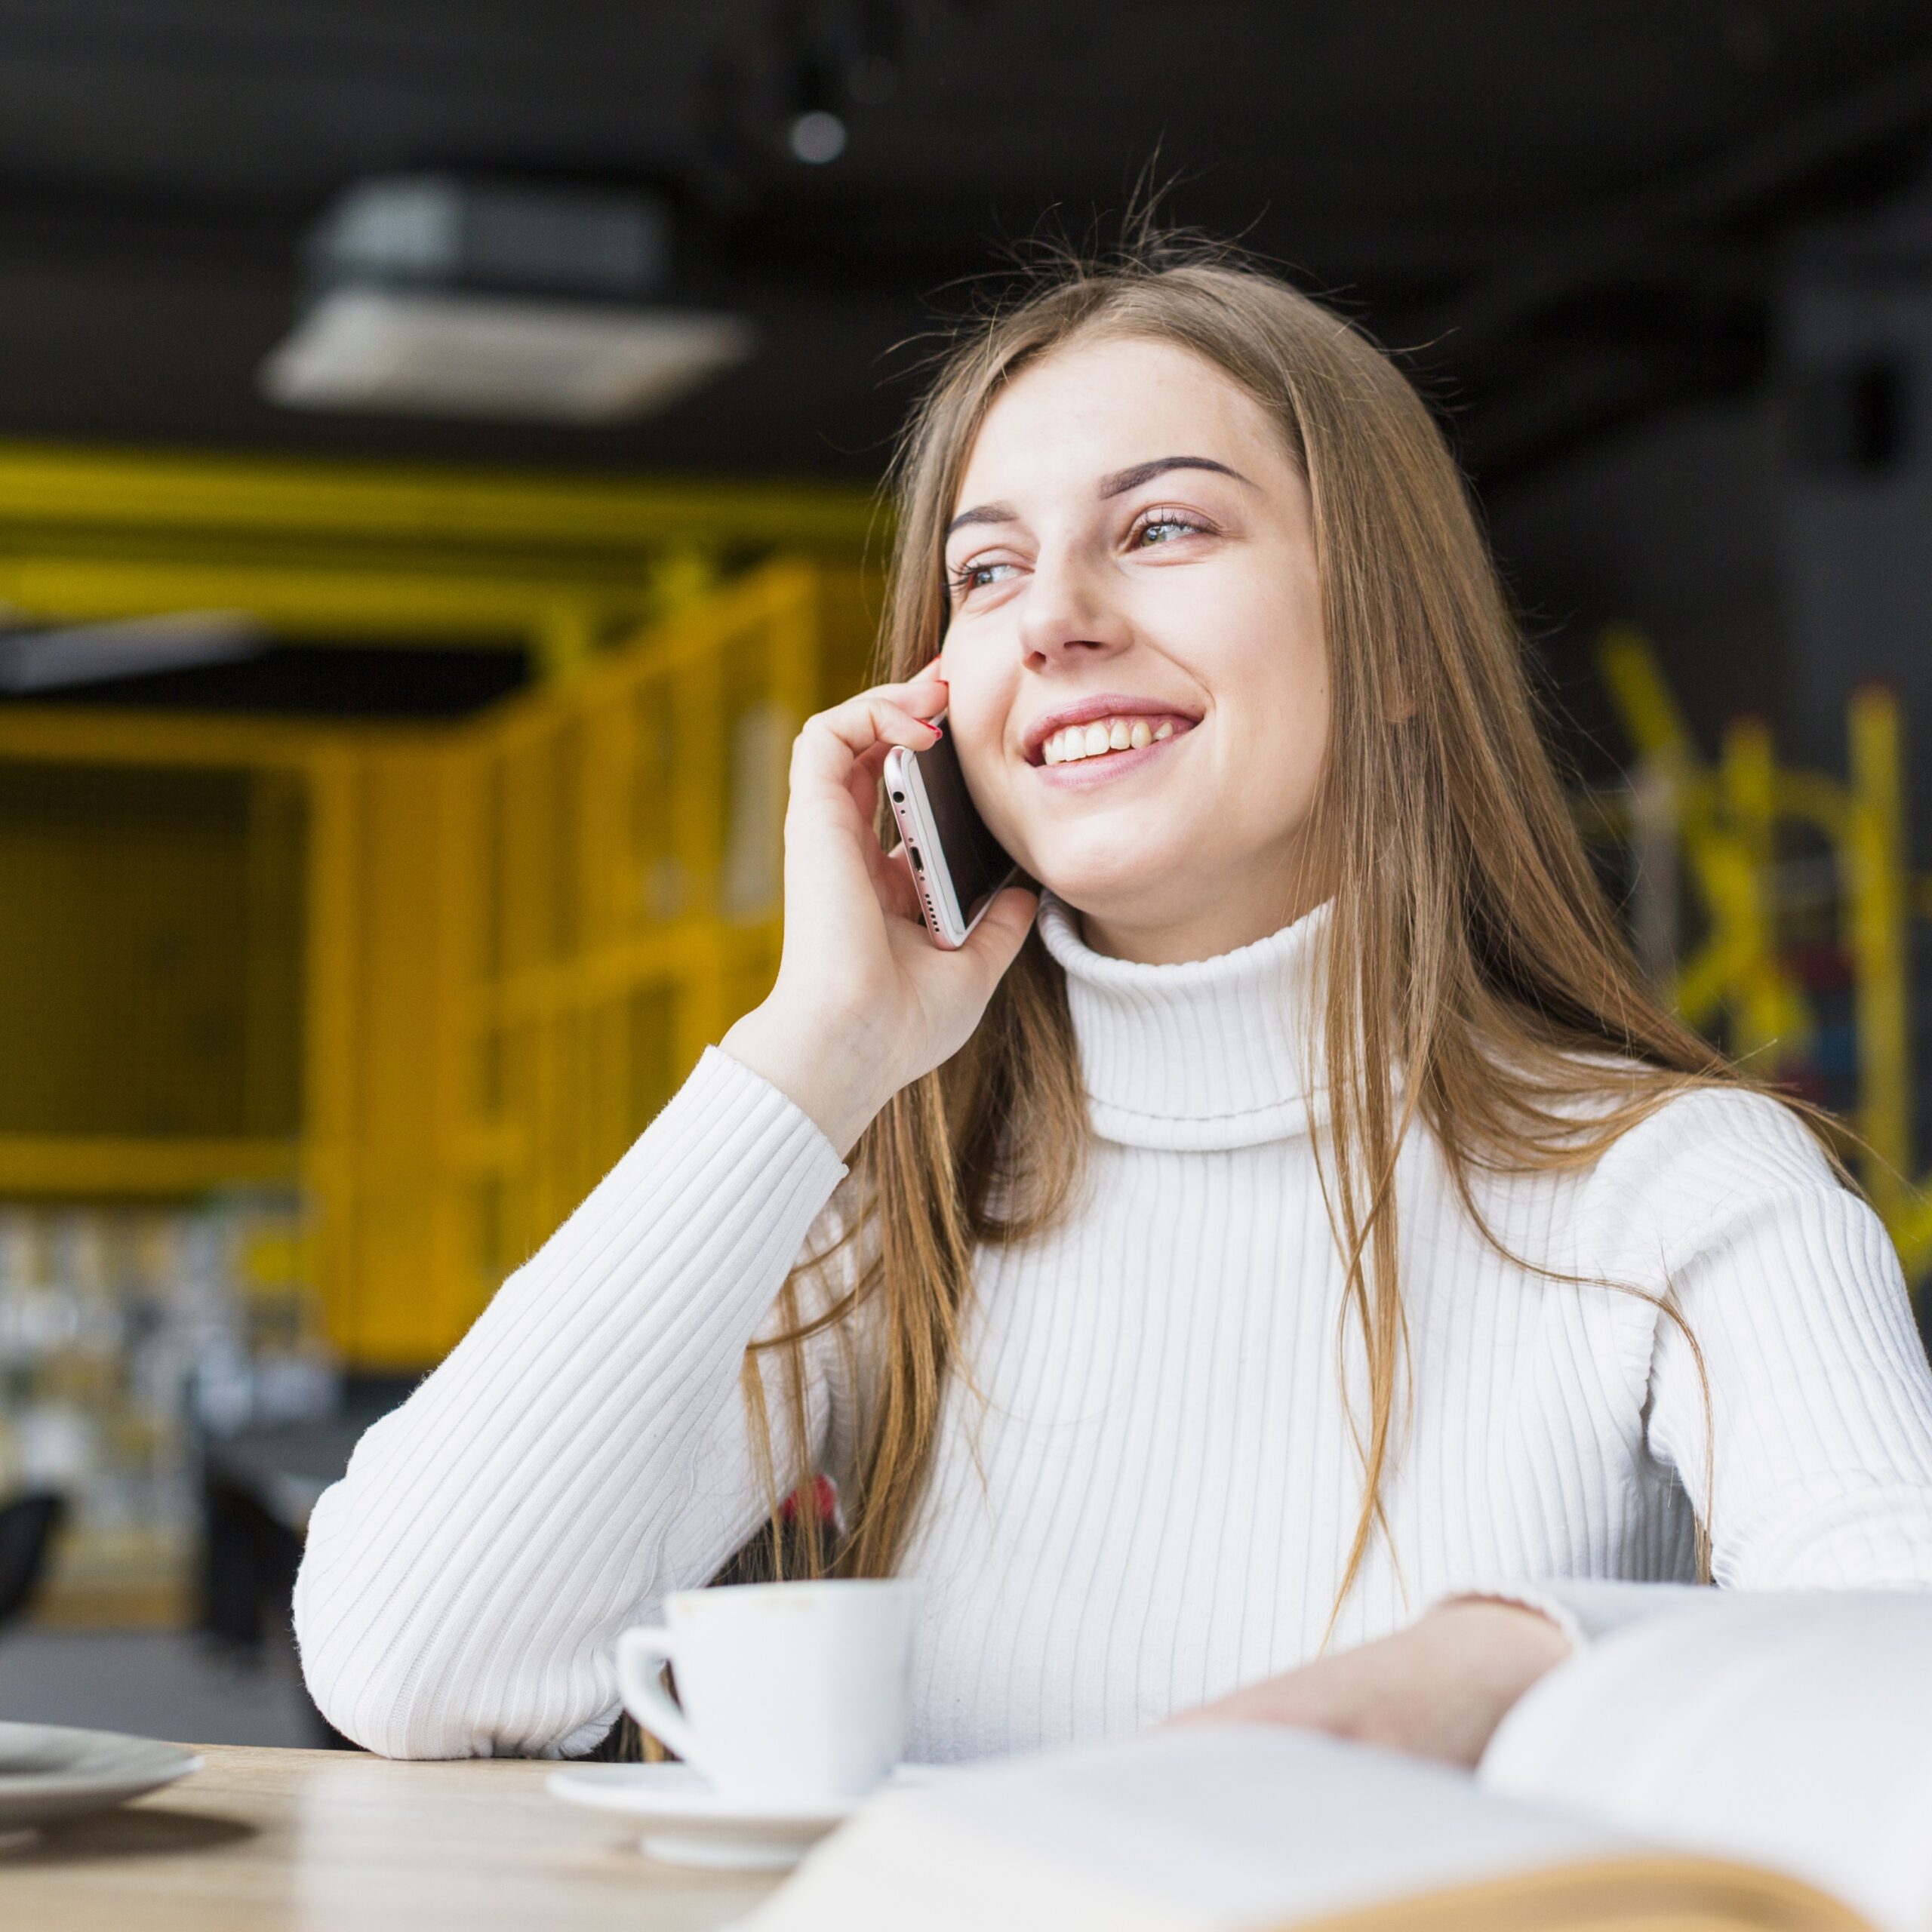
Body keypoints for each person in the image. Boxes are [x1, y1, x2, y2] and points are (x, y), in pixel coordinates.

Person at [293, 234, 1932, 1767]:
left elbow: (1894, 1712)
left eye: (1160, 527)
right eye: (986, 570)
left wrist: (1522, 1657)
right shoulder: (889, 1210)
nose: (1057, 617)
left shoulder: (1678, 1192)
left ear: (1396, 639)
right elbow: (404, 1658)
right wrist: (819, 1046)